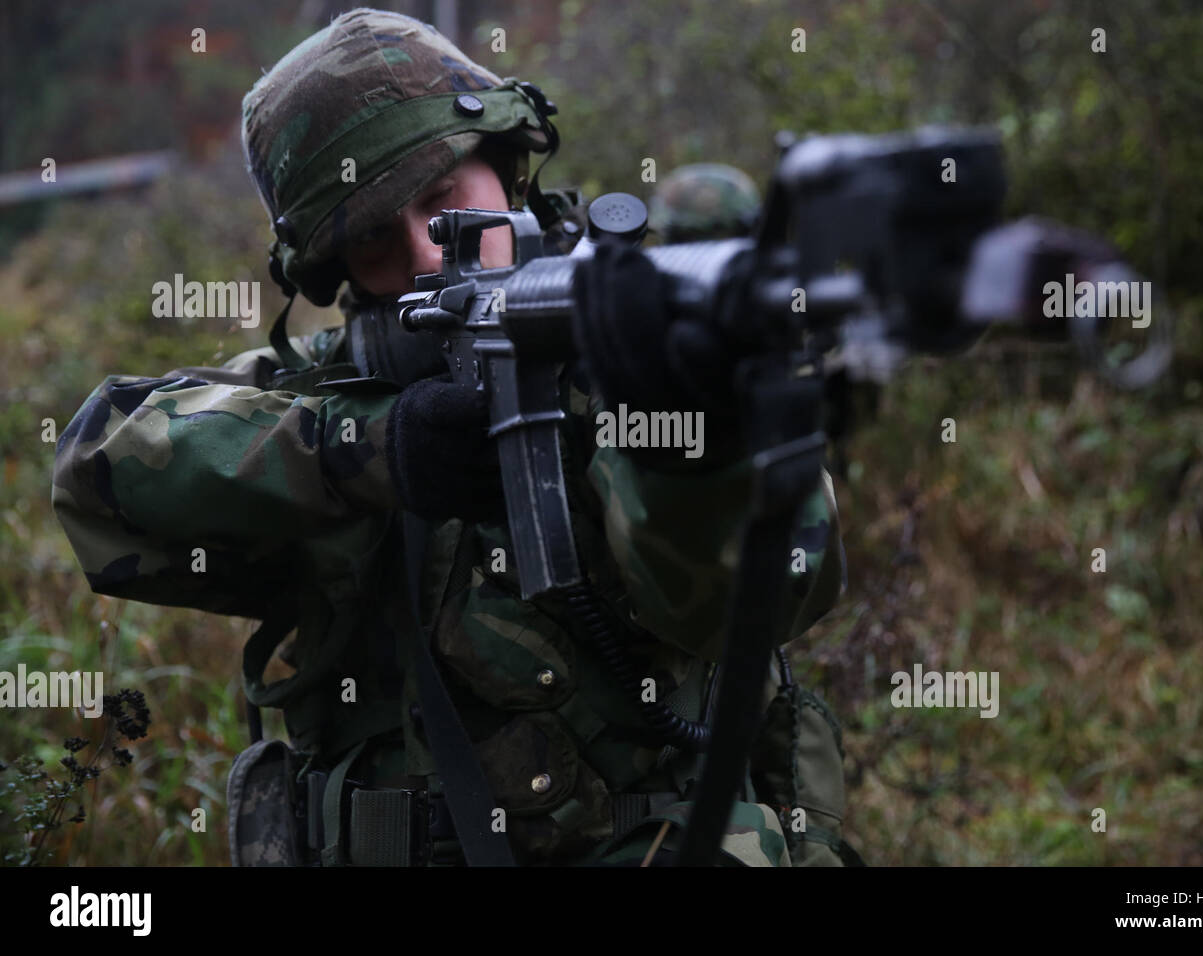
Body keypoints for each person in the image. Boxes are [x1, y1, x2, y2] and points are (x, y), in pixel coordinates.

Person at [51, 7, 857, 867]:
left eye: (443, 201)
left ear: (506, 169)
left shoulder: (622, 354)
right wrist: (372, 450)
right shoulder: (331, 387)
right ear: (332, 269)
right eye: (373, 240)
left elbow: (775, 596)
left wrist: (690, 438)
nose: (428, 255)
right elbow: (94, 471)